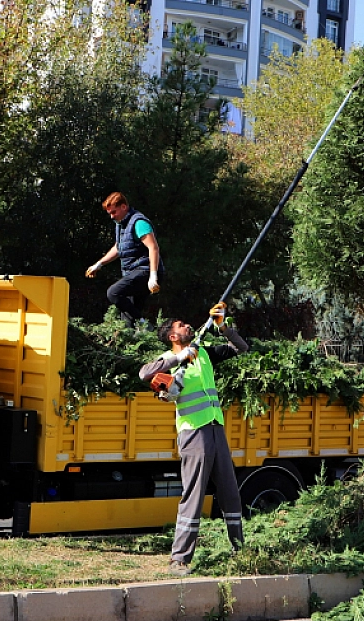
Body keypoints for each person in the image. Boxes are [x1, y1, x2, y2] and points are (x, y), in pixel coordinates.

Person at [139, 303, 247, 576]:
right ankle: (179, 560)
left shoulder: (205, 354)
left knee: (230, 493)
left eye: (188, 325)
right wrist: (180, 358)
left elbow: (241, 348)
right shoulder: (168, 359)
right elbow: (144, 374)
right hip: (193, 433)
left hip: (215, 428)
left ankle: (240, 551)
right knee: (194, 495)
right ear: (173, 337)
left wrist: (222, 326)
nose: (188, 327)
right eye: (181, 326)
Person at [85, 192, 162, 328]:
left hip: (145, 271)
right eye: (109, 213)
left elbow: (153, 247)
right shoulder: (121, 224)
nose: (111, 216)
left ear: (124, 207)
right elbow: (119, 247)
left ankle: (144, 325)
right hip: (132, 272)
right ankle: (136, 337)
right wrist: (99, 264)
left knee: (113, 292)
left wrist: (153, 276)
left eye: (114, 212)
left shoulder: (139, 223)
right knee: (127, 319)